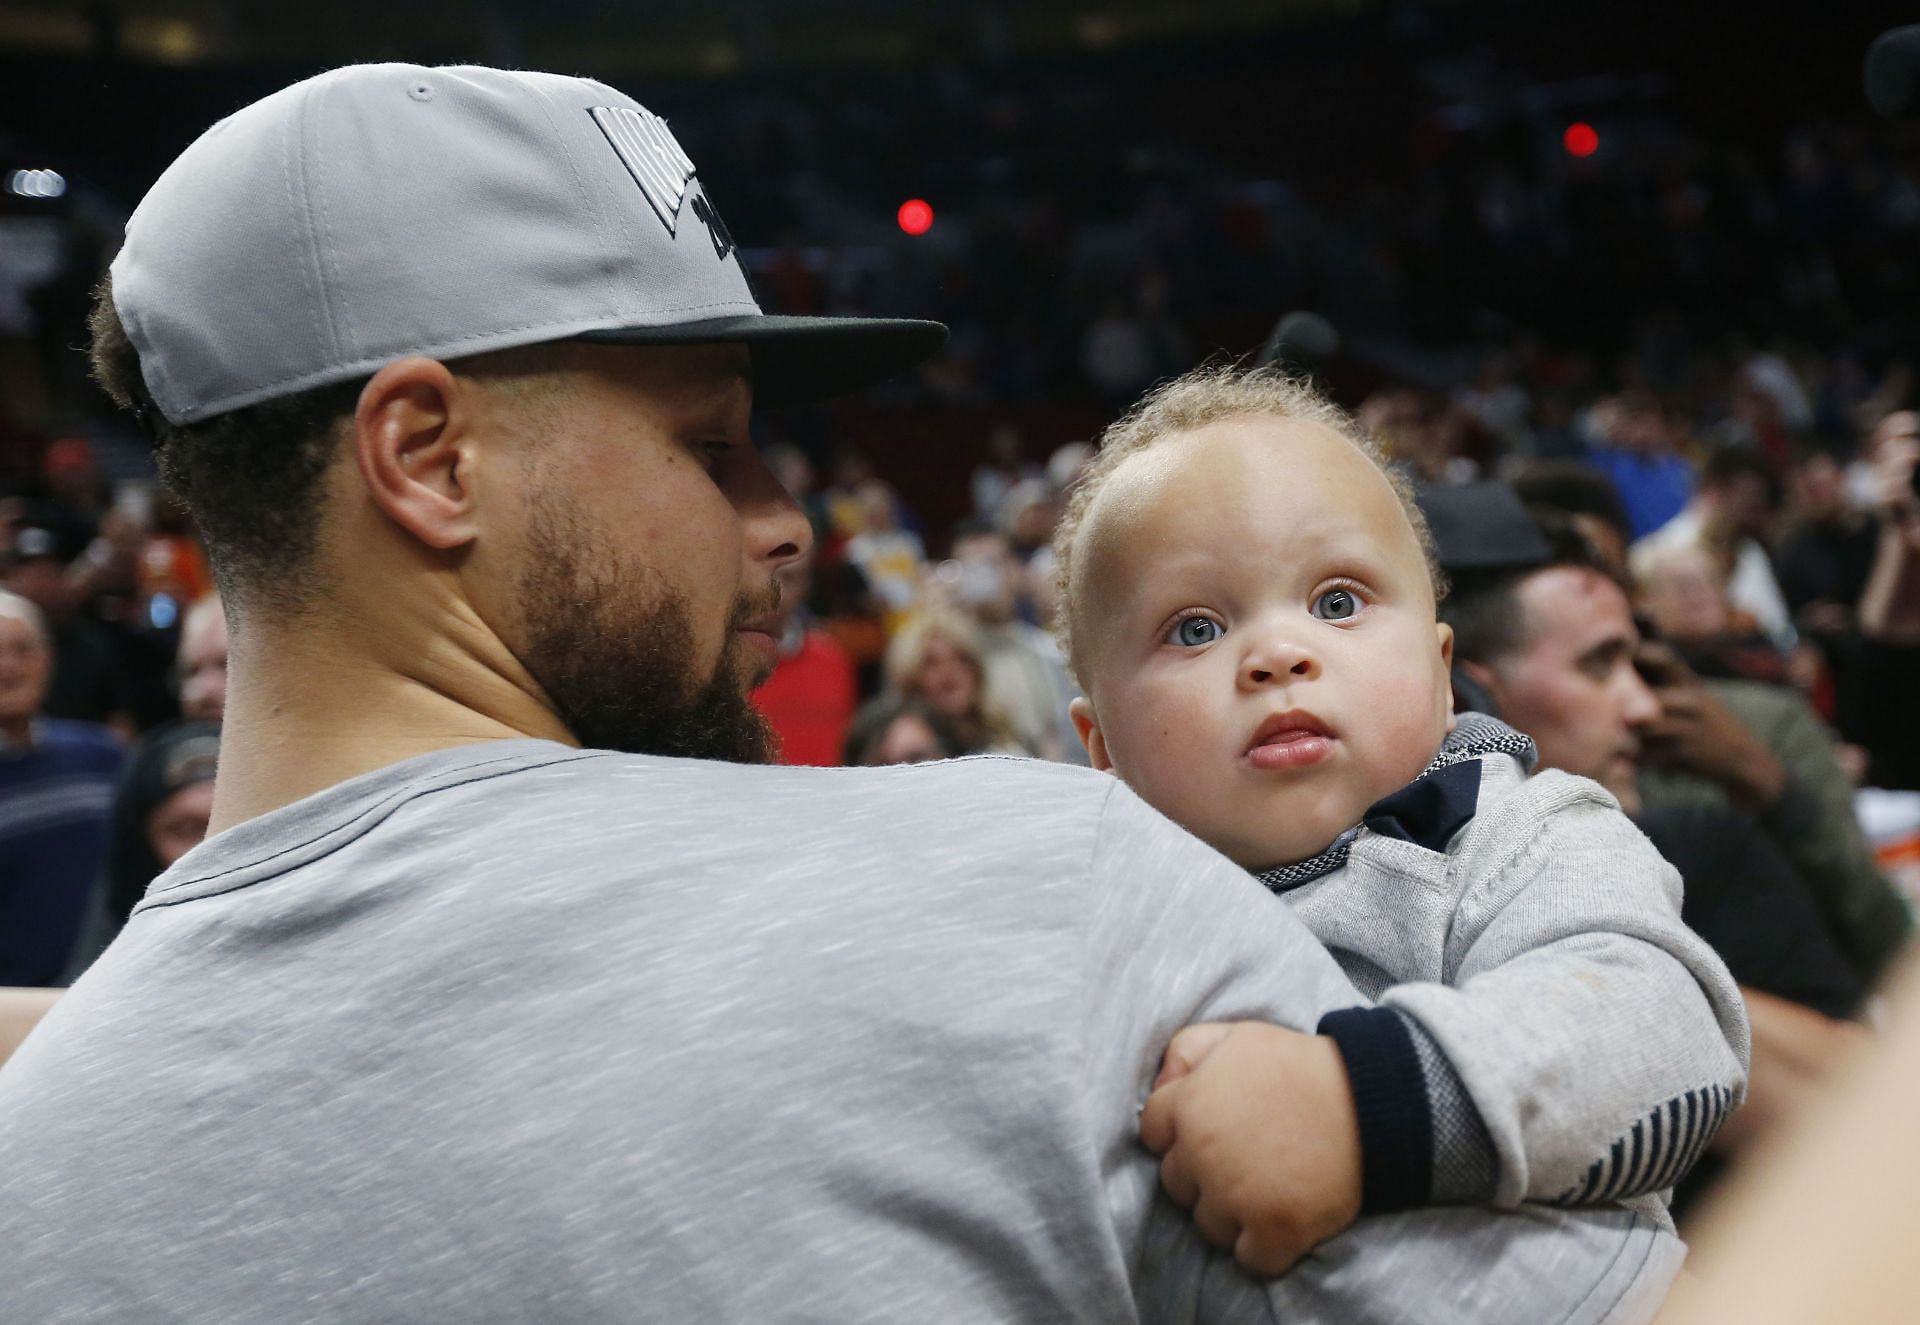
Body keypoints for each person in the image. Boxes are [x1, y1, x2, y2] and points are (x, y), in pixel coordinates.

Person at [0, 64, 1679, 1323]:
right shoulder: (1026, 892)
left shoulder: (42, 1148)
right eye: (708, 443)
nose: (782, 519)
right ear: (428, 459)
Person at [1050, 365, 1746, 1254]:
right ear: (1100, 743)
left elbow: (1661, 1035)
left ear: (1442, 670)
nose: (1277, 653)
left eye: (1337, 602)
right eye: (1195, 627)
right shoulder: (1095, 927)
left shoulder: (1514, 836)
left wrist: (1364, 1104)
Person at [0, 590, 122, 986]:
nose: (8, 666)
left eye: (23, 649)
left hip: (115, 993)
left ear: (48, 659)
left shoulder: (103, 755)